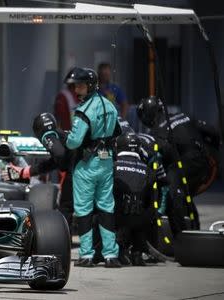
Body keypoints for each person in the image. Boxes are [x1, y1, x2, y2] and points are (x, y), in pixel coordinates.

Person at [62, 67, 121, 268]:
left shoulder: (83, 111)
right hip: (106, 162)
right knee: (106, 207)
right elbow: (117, 131)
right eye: (75, 86)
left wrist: (64, 136)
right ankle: (111, 255)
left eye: (80, 86)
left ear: (91, 86)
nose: (77, 90)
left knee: (84, 209)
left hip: (86, 166)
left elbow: (73, 142)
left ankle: (86, 255)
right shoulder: (111, 106)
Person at [137, 96, 220, 234]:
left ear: (146, 116)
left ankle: (182, 235)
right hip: (206, 165)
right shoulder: (183, 116)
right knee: (183, 192)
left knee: (171, 194)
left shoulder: (156, 132)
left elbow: (164, 153)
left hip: (186, 166)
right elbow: (212, 132)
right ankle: (192, 226)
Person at [3, 113, 77, 232]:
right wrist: (26, 172)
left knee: (67, 208)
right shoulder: (62, 135)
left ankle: (64, 243)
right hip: (91, 169)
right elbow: (56, 160)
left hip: (79, 173)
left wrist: (64, 167)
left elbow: (59, 155)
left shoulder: (48, 135)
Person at [114, 132, 156, 266]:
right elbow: (153, 199)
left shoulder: (113, 166)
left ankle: (119, 251)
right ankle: (137, 252)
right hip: (141, 218)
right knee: (141, 215)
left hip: (119, 218)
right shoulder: (148, 170)